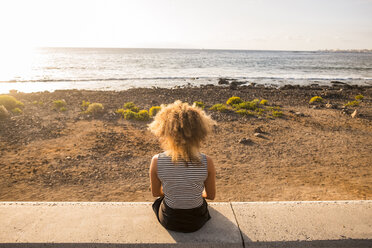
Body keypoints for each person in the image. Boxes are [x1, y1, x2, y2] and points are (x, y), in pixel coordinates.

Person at [148, 100, 216, 233]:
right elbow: (210, 195)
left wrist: (173, 191)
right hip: (197, 220)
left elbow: (155, 193)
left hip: (170, 220)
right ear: (199, 132)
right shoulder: (207, 161)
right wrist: (192, 193)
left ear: (165, 131)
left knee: (158, 202)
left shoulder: (157, 160)